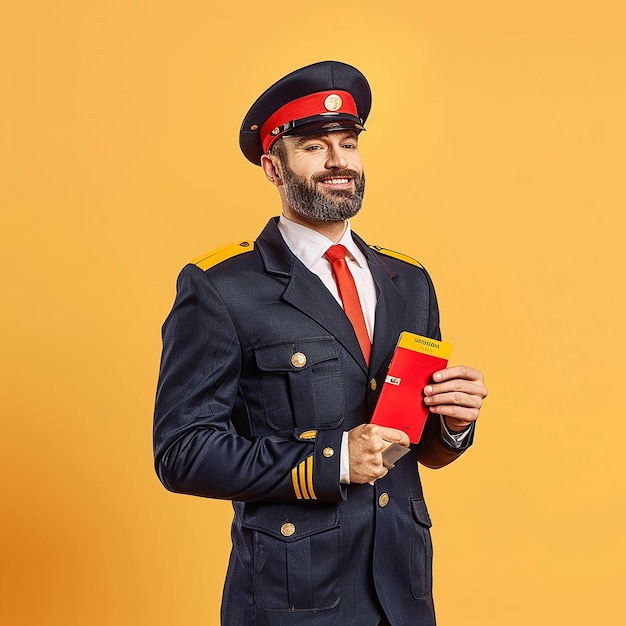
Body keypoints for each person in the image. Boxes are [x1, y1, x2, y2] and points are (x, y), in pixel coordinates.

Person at [153, 60, 487, 626]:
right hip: (292, 599)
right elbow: (181, 453)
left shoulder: (409, 281)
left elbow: (414, 445)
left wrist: (453, 422)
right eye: (313, 147)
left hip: (402, 594)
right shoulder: (221, 287)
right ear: (273, 168)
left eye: (348, 144)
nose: (338, 163)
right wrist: (330, 460)